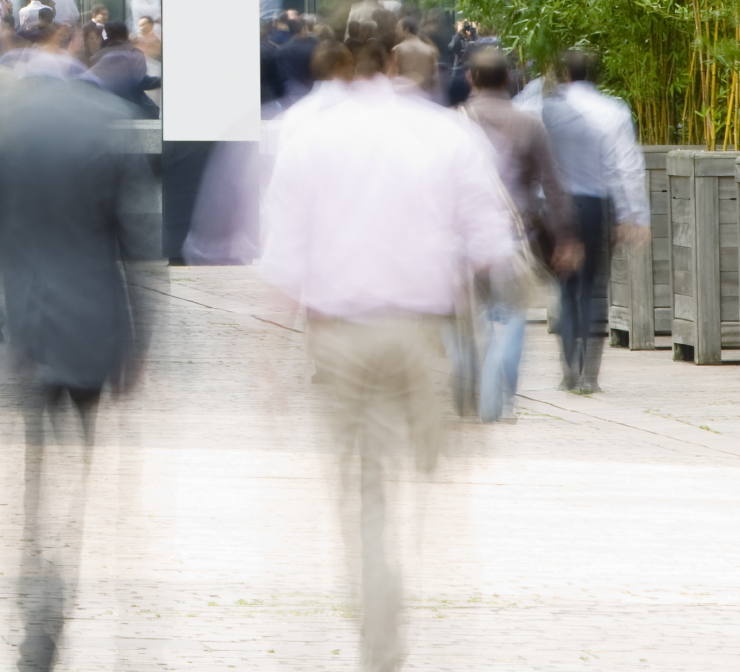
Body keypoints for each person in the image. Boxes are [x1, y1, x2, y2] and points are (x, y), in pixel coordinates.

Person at [257, 38, 515, 671]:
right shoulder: (443, 134)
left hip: (341, 339)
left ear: (340, 65)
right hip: (421, 335)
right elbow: (489, 240)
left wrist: (265, 353)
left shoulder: (305, 138)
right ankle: (422, 573)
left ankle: (379, 615)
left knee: (363, 489)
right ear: (397, 67)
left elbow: (284, 256)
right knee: (428, 476)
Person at [0, 65, 160, 672]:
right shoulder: (108, 134)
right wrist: (139, 341)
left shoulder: (5, 142)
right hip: (93, 323)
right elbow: (136, 241)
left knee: (34, 464)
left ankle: (36, 586)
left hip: (27, 326)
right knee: (79, 467)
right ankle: (60, 578)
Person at [455, 50, 574, 422]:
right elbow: (554, 186)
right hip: (514, 237)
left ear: (471, 78)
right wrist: (568, 236)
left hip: (461, 238)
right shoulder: (529, 125)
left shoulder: (454, 124)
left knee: (469, 317)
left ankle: (470, 380)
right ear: (507, 79)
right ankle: (502, 398)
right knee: (510, 318)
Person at [539, 47, 648, 395]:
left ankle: (569, 367)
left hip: (557, 207)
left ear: (564, 74)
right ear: (595, 76)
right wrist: (634, 215)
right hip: (595, 205)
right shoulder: (613, 111)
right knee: (593, 286)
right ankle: (590, 373)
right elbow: (625, 167)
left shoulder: (549, 110)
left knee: (565, 287)